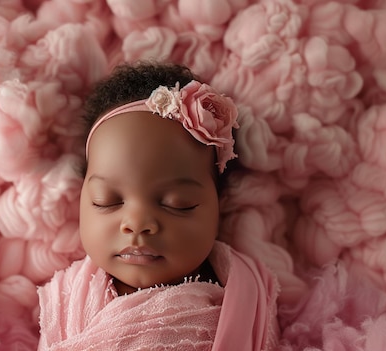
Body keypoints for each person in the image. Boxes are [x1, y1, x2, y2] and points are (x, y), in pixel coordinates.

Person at [37, 62, 279, 350]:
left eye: (179, 204)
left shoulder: (245, 296)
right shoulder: (66, 296)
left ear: (219, 207)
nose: (137, 223)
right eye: (107, 200)